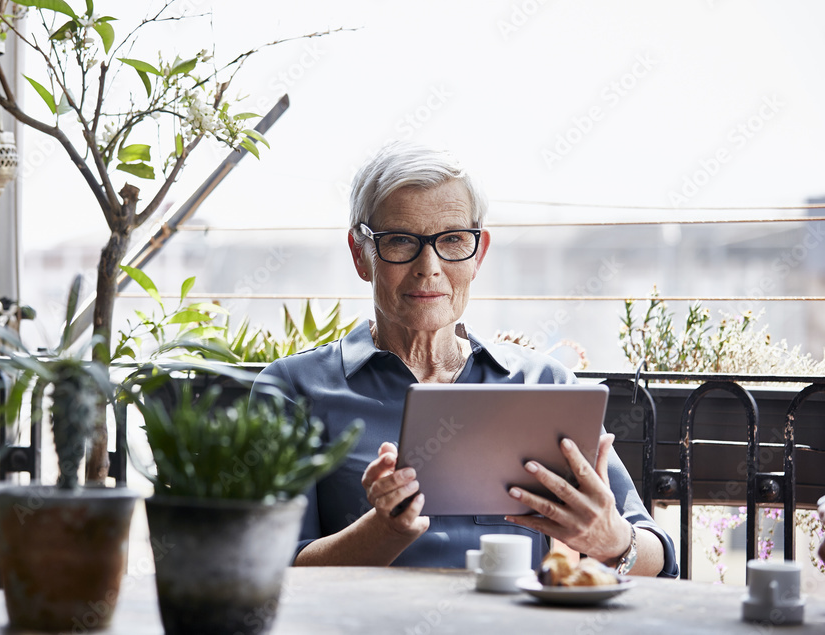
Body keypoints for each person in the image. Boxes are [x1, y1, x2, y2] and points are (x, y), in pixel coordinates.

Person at [255, 141, 678, 577]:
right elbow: (270, 570)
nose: (429, 266)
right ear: (360, 254)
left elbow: (661, 560)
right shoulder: (293, 391)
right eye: (400, 241)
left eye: (453, 240)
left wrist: (609, 541)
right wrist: (383, 530)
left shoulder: (543, 383)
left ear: (479, 253)